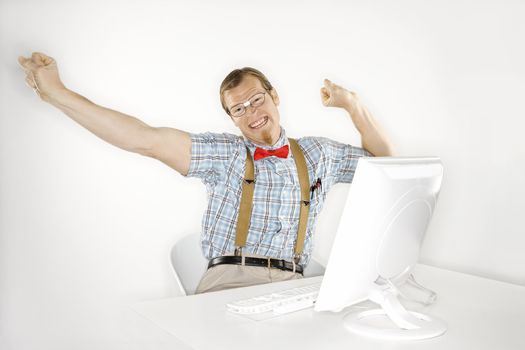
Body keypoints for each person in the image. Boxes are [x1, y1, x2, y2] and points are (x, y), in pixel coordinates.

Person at [18, 52, 393, 294]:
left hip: (295, 285)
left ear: (274, 96)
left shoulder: (317, 154)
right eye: (239, 109)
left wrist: (353, 106)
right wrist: (59, 93)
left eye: (257, 99)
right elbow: (143, 138)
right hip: (229, 281)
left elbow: (387, 169)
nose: (251, 112)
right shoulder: (226, 153)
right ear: (231, 117)